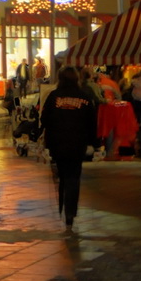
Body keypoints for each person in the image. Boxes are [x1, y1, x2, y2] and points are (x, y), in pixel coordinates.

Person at [43, 67, 98, 231]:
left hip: (58, 143)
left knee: (62, 175)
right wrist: (93, 143)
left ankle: (62, 206)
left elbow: (45, 119)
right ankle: (70, 212)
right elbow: (92, 122)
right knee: (74, 177)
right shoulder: (85, 98)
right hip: (78, 143)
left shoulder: (54, 97)